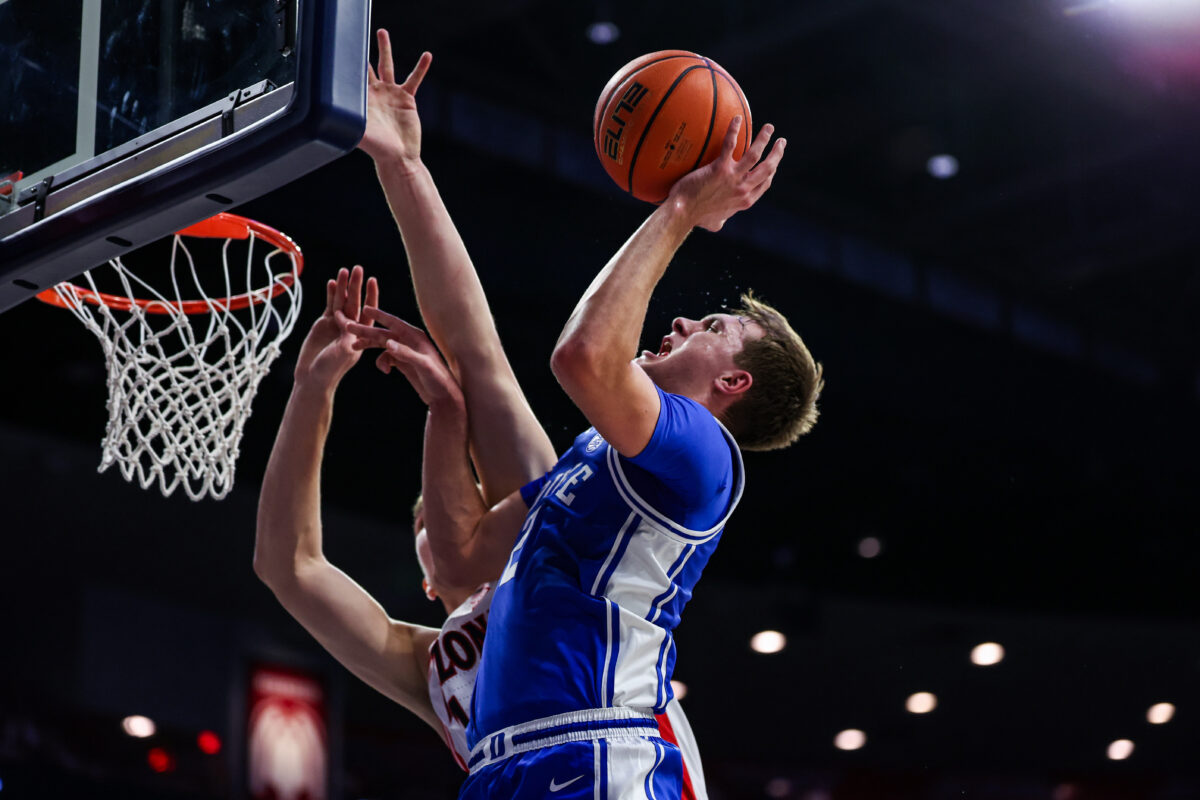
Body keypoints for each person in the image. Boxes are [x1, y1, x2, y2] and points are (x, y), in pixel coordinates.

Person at [349, 34, 823, 800]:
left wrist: (680, 210)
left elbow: (581, 358)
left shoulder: (705, 460)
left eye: (708, 328)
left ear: (733, 382)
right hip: (520, 763)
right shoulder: (590, 473)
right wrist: (401, 163)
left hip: (603, 755)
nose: (678, 326)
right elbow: (476, 374)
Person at [255, 29, 712, 797]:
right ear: (424, 576)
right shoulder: (435, 671)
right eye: (423, 526)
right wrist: (310, 393)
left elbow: (475, 352)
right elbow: (289, 566)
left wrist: (403, 167)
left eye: (449, 505)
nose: (436, 523)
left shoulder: (553, 550)